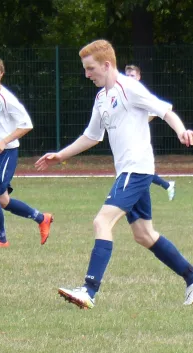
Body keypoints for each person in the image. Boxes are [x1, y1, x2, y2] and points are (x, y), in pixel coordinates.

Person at [35, 39, 193, 309]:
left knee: (102, 221)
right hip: (129, 172)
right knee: (144, 234)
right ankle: (191, 277)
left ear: (107, 65)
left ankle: (89, 290)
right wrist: (61, 155)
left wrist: (181, 130)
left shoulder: (129, 88)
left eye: (90, 68)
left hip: (136, 169)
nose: (87, 74)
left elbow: (164, 110)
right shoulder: (101, 98)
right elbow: (92, 136)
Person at [0, 57, 53, 248]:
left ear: (2, 73)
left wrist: (3, 141)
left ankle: (1, 240)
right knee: (2, 200)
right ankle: (42, 218)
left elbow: (26, 125)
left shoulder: (7, 99)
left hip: (6, 153)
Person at [125, 64, 175, 201]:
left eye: (133, 75)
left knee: (139, 171)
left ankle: (166, 186)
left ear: (139, 77)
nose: (130, 78)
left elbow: (166, 107)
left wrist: (146, 119)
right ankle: (166, 185)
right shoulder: (122, 94)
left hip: (139, 143)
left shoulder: (141, 94)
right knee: (136, 172)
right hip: (127, 142)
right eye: (127, 75)